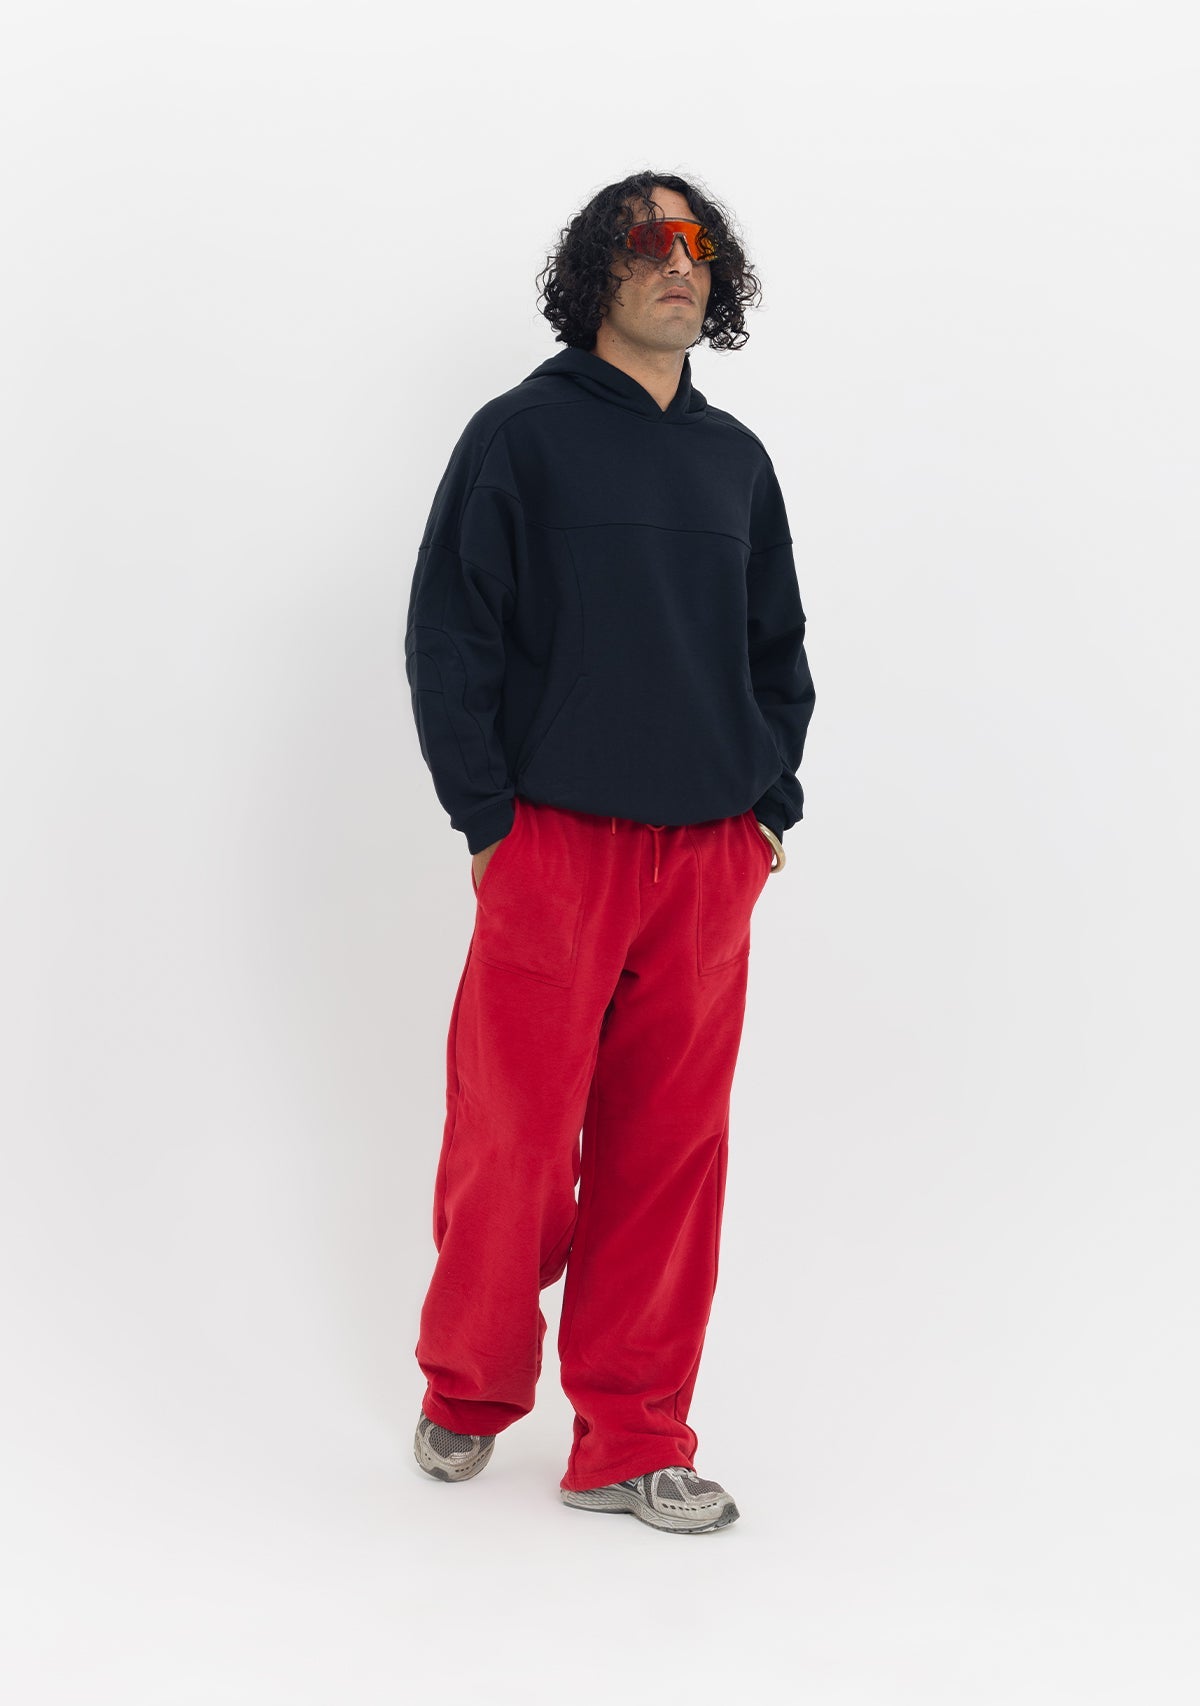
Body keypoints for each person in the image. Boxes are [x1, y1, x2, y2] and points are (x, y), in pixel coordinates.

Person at [404, 171, 816, 1534]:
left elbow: (776, 648)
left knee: (668, 1155)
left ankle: (631, 1438)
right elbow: (450, 631)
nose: (677, 261)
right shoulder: (520, 438)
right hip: (555, 847)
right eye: (647, 239)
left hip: (705, 861)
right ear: (598, 271)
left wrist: (767, 809)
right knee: (514, 1139)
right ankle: (469, 1388)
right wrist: (487, 819)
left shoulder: (734, 461)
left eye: (697, 243)